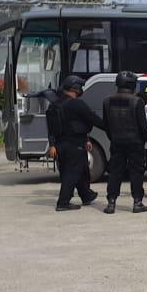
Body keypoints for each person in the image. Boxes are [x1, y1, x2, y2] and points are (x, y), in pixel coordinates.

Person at [47, 75, 103, 211]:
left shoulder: (54, 105)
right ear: (75, 88)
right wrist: (111, 127)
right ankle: (63, 202)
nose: (81, 89)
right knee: (71, 173)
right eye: (80, 86)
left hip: (61, 144)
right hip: (74, 144)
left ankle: (86, 195)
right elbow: (93, 118)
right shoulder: (77, 104)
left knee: (82, 170)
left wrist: (52, 144)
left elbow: (51, 127)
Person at [101, 71, 147, 214]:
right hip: (135, 142)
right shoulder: (137, 101)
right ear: (131, 85)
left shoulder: (107, 101)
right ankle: (137, 202)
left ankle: (111, 203)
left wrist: (113, 138)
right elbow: (143, 125)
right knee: (136, 172)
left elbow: (106, 124)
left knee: (115, 172)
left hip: (116, 141)